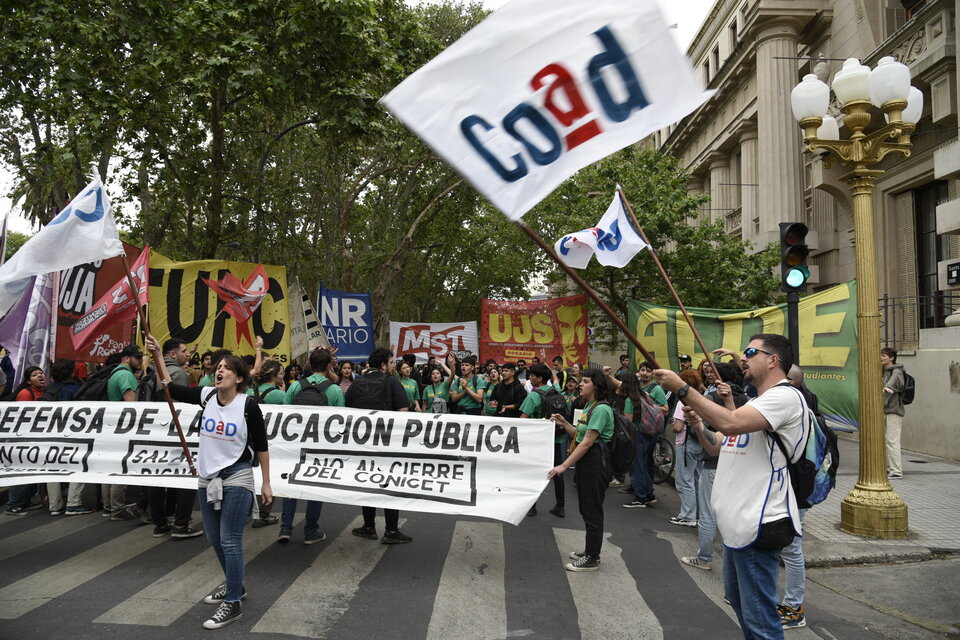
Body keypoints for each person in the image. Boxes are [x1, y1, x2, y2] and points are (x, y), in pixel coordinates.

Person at [654, 334, 807, 640]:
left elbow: (731, 424)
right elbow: (718, 445)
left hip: (758, 522)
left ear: (773, 360)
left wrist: (683, 389)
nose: (743, 358)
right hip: (738, 525)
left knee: (759, 617)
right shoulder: (757, 404)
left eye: (751, 352)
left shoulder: (785, 397)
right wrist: (698, 425)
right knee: (741, 604)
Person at [147, 335, 271, 630]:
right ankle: (235, 586)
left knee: (230, 540)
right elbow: (170, 388)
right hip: (207, 478)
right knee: (215, 539)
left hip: (237, 476)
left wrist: (266, 483)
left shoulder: (248, 406)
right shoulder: (206, 396)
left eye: (227, 368)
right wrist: (156, 355)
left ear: (239, 377)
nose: (219, 370)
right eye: (218, 367)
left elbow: (263, 446)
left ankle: (233, 603)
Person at [680, 362, 747, 571]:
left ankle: (705, 557)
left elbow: (713, 439)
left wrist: (697, 425)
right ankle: (732, 565)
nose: (707, 375)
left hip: (714, 464)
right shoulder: (747, 400)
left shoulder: (711, 399)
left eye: (711, 372)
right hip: (737, 466)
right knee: (731, 516)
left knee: (708, 514)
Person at [547, 369, 614, 572]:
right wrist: (564, 423)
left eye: (585, 381)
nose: (580, 384)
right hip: (587, 464)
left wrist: (563, 465)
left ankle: (592, 557)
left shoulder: (601, 409)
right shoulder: (589, 406)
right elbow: (579, 433)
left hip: (596, 464)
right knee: (586, 508)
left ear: (597, 386)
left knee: (592, 510)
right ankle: (589, 551)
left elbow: (586, 443)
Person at [346, 346, 413, 544]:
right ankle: (391, 530)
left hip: (364, 444)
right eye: (392, 362)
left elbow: (346, 411)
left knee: (368, 483)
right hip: (387, 444)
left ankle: (369, 527)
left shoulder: (357, 383)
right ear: (383, 365)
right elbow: (403, 410)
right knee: (389, 484)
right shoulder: (392, 381)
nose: (394, 366)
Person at [280, 348, 342, 545]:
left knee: (291, 484)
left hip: (295, 444)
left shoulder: (296, 386)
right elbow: (342, 422)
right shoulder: (335, 390)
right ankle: (310, 530)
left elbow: (283, 411)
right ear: (329, 366)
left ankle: (285, 528)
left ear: (309, 363)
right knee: (315, 485)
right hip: (320, 446)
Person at [145, 338, 203, 538]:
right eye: (184, 350)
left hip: (154, 431)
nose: (188, 354)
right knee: (185, 476)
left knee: (157, 477)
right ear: (172, 354)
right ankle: (181, 524)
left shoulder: (150, 370)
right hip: (175, 432)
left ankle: (160, 523)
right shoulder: (176, 374)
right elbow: (181, 403)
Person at [776, 364, 818, 630]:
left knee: (791, 549)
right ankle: (788, 603)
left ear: (791, 383)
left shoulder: (799, 411)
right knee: (785, 548)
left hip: (796, 490)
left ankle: (794, 609)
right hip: (792, 489)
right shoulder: (799, 406)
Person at [106, 344, 145, 522]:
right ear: (127, 358)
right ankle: (117, 508)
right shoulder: (126, 375)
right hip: (123, 427)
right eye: (137, 358)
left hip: (114, 426)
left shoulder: (116, 372)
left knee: (111, 467)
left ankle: (109, 506)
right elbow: (132, 405)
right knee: (121, 468)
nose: (139, 361)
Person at [3, 366, 46, 516]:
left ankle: (25, 501)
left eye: (41, 373)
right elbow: (21, 418)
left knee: (31, 470)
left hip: (35, 438)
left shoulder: (42, 391)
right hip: (23, 438)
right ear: (28, 380)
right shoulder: (25, 394)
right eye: (34, 375)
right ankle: (12, 505)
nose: (40, 376)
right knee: (22, 470)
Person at [520, 363, 561, 517]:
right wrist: (545, 363)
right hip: (557, 438)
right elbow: (555, 378)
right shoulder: (556, 390)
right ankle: (561, 505)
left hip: (538, 441)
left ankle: (532, 507)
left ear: (539, 378)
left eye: (532, 376)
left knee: (534, 473)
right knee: (558, 472)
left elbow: (523, 418)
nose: (530, 378)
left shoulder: (534, 396)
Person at [614, 373, 658, 509]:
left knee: (636, 467)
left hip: (637, 436)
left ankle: (640, 497)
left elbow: (628, 423)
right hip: (648, 434)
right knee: (645, 465)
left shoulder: (628, 400)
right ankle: (649, 494)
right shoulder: (643, 395)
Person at [670, 368, 704, 527]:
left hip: (685, 443)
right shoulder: (701, 399)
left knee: (684, 480)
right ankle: (698, 513)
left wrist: (672, 425)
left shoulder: (682, 401)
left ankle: (687, 515)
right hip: (699, 442)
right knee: (697, 479)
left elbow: (678, 427)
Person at [881, 347, 906, 479]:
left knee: (892, 441)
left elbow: (894, 380)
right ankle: (887, 468)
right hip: (884, 410)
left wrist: (888, 387)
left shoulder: (897, 371)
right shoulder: (883, 371)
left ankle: (896, 471)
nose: (881, 358)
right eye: (881, 355)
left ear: (891, 358)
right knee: (884, 441)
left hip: (894, 411)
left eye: (884, 355)